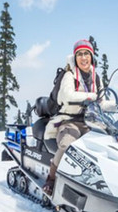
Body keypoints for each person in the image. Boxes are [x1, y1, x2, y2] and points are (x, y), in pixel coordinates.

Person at [43, 39, 102, 195]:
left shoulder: (96, 77)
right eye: (80, 54)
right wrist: (90, 96)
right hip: (68, 121)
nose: (83, 58)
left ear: (92, 56)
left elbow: (101, 100)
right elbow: (67, 94)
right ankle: (51, 178)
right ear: (75, 58)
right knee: (67, 146)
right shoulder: (69, 75)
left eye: (86, 54)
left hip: (90, 122)